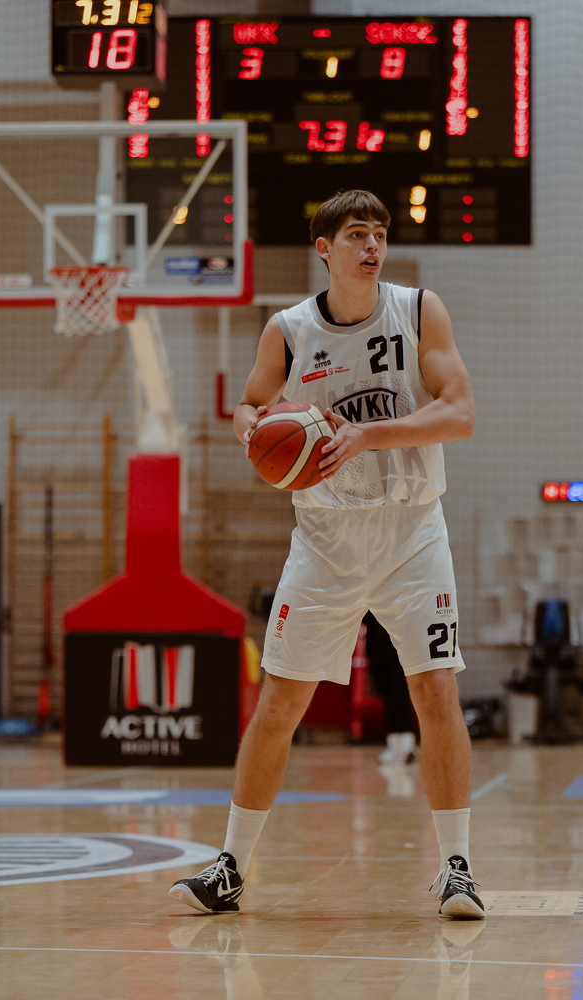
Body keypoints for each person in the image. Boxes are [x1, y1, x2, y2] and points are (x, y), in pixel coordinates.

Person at [169, 189, 482, 919]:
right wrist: (256, 432)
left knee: (435, 691)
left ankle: (457, 869)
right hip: (325, 540)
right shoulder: (288, 329)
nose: (371, 246)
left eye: (379, 235)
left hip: (411, 532)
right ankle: (230, 867)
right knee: (280, 701)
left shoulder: (418, 310)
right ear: (324, 248)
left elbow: (461, 412)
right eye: (356, 235)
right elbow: (249, 406)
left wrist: (367, 436)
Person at [365, 612, 420, 765]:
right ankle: (395, 745)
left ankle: (407, 744)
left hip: (401, 642)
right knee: (387, 694)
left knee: (400, 693)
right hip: (377, 642)